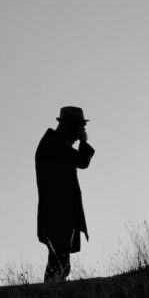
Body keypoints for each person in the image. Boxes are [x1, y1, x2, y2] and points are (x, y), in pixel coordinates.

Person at [35, 106, 95, 282]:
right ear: (69, 126)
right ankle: (50, 297)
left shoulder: (55, 144)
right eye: (79, 129)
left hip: (59, 214)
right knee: (59, 263)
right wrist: (84, 142)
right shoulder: (54, 144)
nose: (79, 134)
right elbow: (83, 161)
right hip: (57, 214)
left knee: (60, 262)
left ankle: (52, 294)